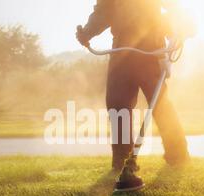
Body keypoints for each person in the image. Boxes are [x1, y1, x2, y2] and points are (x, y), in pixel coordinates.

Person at [76, 0, 195, 171]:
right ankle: (122, 161)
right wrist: (86, 32)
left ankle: (178, 157)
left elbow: (173, 8)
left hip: (152, 49)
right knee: (117, 106)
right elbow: (103, 11)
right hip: (121, 50)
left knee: (160, 105)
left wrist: (177, 26)